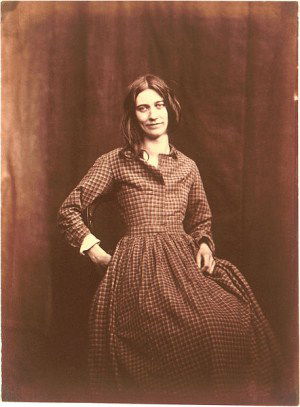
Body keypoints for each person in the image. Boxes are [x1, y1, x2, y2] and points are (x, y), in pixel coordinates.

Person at [57, 74, 282, 404]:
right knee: (171, 335)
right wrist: (95, 251)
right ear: (133, 115)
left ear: (169, 108)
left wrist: (204, 243)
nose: (153, 114)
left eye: (158, 105)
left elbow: (201, 216)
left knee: (226, 322)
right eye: (143, 108)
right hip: (137, 268)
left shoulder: (188, 166)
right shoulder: (115, 162)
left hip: (181, 264)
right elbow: (69, 209)